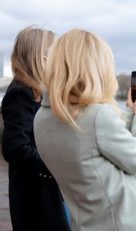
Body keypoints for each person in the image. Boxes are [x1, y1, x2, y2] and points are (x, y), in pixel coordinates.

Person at [34, 28, 136, 231]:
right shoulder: (96, 116)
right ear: (95, 67)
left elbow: (100, 144)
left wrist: (130, 112)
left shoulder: (41, 118)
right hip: (126, 224)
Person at [1, 26, 71, 231]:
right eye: (53, 53)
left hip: (43, 193)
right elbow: (14, 147)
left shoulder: (34, 91)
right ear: (39, 57)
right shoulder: (20, 93)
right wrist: (53, 166)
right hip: (35, 195)